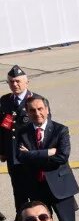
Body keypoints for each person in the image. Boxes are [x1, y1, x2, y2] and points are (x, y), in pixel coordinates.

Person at [14, 95, 79, 221]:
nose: (37, 113)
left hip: (61, 188)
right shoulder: (22, 132)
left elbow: (62, 158)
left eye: (40, 109)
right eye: (32, 110)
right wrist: (47, 153)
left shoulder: (60, 130)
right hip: (36, 188)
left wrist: (31, 155)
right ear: (27, 112)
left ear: (47, 109)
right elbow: (20, 157)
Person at [0, 66, 42, 213]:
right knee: (18, 189)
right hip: (12, 154)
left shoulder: (37, 100)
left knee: (36, 187)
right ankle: (21, 217)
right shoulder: (5, 100)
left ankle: (41, 215)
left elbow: (44, 128)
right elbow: (2, 128)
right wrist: (2, 151)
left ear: (27, 82)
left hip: (30, 153)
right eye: (11, 82)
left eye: (18, 81)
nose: (14, 85)